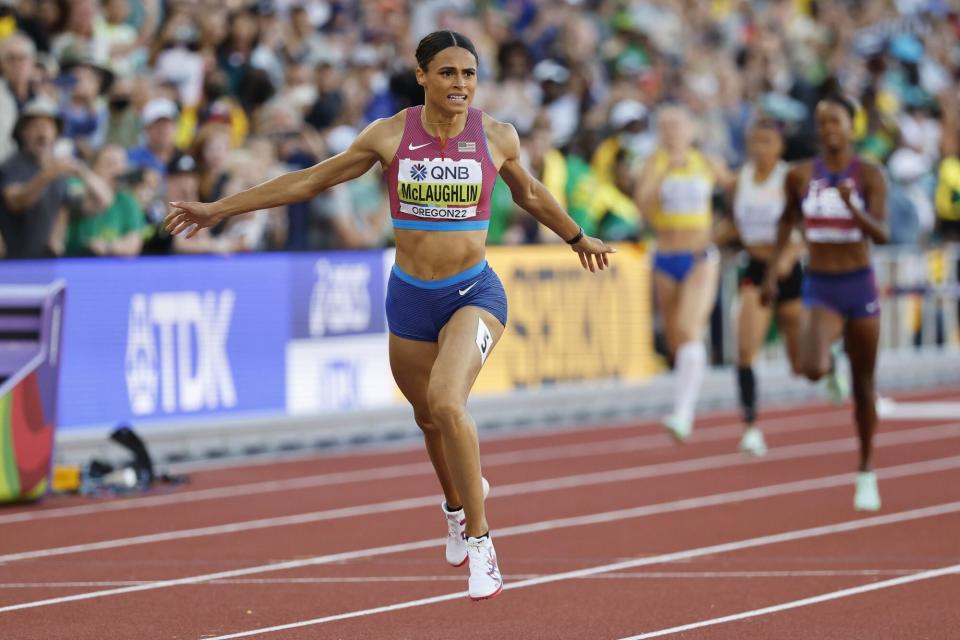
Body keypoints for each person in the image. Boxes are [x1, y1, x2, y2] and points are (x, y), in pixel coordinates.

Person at [164, 30, 615, 600]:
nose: (460, 84)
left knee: (450, 403)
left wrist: (576, 236)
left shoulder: (496, 136)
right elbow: (309, 181)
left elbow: (527, 192)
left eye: (469, 74)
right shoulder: (390, 135)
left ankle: (482, 542)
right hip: (408, 297)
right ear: (422, 75)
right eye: (448, 73)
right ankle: (456, 505)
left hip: (473, 292)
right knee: (429, 419)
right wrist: (217, 210)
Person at [762, 93, 888, 511]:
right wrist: (770, 275)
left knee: (864, 385)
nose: (828, 130)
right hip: (821, 284)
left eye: (836, 121)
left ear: (853, 126)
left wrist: (854, 206)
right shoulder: (800, 176)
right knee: (813, 368)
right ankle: (831, 362)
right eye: (822, 123)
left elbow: (883, 234)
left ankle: (866, 468)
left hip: (859, 285)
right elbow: (784, 225)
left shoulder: (869, 175)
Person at [727, 117, 847, 456]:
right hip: (755, 268)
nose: (759, 149)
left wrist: (789, 255)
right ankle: (751, 428)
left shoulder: (791, 179)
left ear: (779, 146)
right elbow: (735, 224)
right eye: (754, 142)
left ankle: (831, 362)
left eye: (766, 142)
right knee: (746, 347)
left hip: (787, 271)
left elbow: (810, 231)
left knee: (801, 367)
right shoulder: (741, 180)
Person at [634, 105, 732, 441]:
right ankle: (685, 401)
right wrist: (664, 174)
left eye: (677, 125)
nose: (671, 131)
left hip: (699, 257)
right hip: (665, 256)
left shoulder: (706, 162)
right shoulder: (653, 163)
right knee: (677, 342)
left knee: (690, 330)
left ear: (690, 129)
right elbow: (643, 207)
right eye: (664, 126)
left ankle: (683, 414)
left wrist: (726, 229)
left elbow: (734, 191)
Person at [0, 96, 112, 259]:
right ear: (23, 132)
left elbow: (102, 201)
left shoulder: (59, 172)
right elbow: (16, 202)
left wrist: (81, 170)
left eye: (48, 127)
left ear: (56, 134)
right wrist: (48, 174)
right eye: (36, 126)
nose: (43, 133)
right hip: (13, 263)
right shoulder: (12, 166)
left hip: (48, 263)